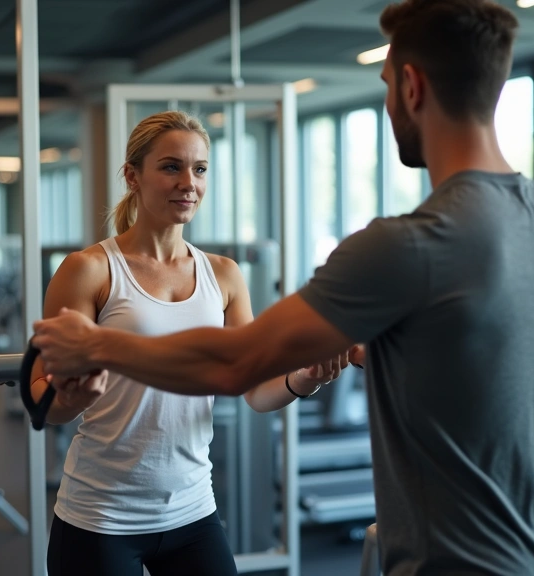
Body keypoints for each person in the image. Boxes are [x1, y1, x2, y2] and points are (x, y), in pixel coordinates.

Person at [32, 1, 534, 574]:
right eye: (172, 167)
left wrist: (96, 344)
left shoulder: (403, 245)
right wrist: (346, 360)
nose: (188, 182)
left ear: (411, 86)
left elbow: (235, 365)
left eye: (386, 84)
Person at [32, 110, 355, 576]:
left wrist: (304, 379)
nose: (189, 183)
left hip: (193, 509)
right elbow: (43, 400)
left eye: (199, 169)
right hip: (101, 516)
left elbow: (255, 388)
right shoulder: (90, 270)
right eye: (171, 167)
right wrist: (71, 398)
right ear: (132, 176)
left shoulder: (223, 275)